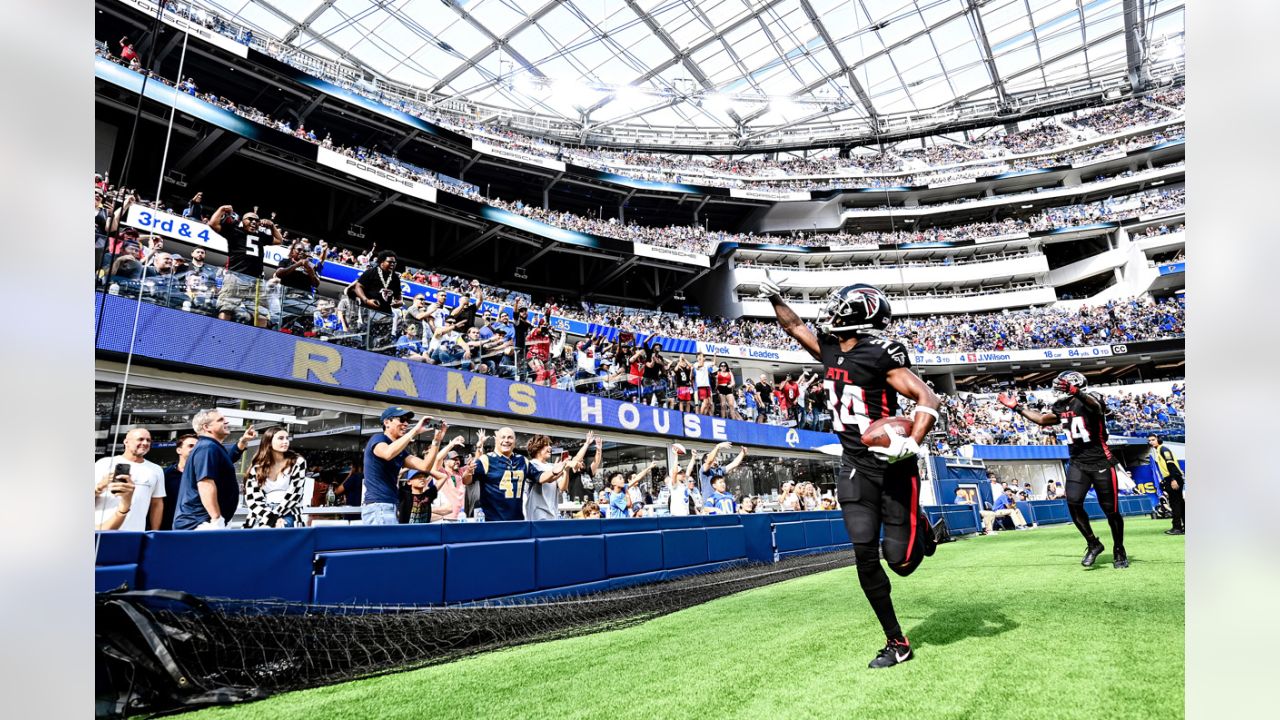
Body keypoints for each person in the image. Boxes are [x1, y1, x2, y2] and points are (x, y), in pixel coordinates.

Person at [762, 274, 941, 668]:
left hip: (894, 468)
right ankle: (897, 641)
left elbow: (927, 397)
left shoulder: (880, 354)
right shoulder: (829, 346)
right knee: (863, 554)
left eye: (838, 307)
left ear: (860, 316)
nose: (829, 313)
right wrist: (776, 299)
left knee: (903, 563)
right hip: (854, 466)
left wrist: (913, 441)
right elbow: (794, 327)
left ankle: (922, 526)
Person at [998, 371, 1128, 568]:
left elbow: (1096, 407)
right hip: (1077, 462)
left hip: (1101, 461)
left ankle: (1119, 548)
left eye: (1061, 385)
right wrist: (1017, 407)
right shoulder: (1061, 405)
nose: (1057, 388)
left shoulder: (1091, 398)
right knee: (1073, 503)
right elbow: (1042, 420)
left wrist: (1076, 392)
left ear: (1075, 384)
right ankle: (1093, 543)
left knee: (1111, 510)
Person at [361, 407, 446, 526]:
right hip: (378, 506)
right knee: (386, 544)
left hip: (389, 505)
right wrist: (415, 430)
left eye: (408, 421)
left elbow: (425, 466)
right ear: (386, 422)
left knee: (388, 544)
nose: (406, 424)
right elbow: (387, 453)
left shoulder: (400, 451)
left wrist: (436, 441)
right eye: (401, 419)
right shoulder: (378, 439)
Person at [173, 411, 257, 530]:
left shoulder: (210, 446)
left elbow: (227, 459)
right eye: (220, 420)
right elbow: (205, 484)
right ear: (206, 427)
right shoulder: (207, 447)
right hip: (202, 523)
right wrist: (216, 518)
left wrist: (243, 441)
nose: (226, 421)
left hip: (206, 521)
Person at [210, 205, 281, 326]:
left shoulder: (261, 236)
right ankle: (220, 333)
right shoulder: (234, 231)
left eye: (256, 220)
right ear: (243, 221)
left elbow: (279, 240)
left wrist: (272, 226)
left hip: (257, 280)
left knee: (262, 312)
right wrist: (222, 209)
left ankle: (258, 340)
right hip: (235, 276)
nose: (254, 222)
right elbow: (212, 224)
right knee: (227, 307)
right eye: (250, 219)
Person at [93, 427, 165, 531]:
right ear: (126, 442)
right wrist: (100, 486)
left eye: (148, 440)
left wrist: (155, 532)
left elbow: (157, 503)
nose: (145, 443)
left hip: (135, 532)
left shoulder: (156, 470)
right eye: (140, 439)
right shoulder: (104, 463)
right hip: (102, 530)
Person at [242, 427, 308, 528]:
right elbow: (252, 498)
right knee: (254, 535)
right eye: (281, 438)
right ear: (269, 441)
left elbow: (295, 494)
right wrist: (271, 518)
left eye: (287, 438)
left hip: (288, 510)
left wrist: (275, 516)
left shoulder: (298, 462)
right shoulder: (257, 467)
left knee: (279, 529)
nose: (286, 441)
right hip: (263, 511)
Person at [466, 427, 533, 521]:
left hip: (517, 522)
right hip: (492, 523)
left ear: (515, 441)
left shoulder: (522, 460)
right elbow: (467, 480)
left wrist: (555, 471)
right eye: (503, 437)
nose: (506, 440)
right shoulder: (486, 460)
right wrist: (468, 472)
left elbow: (540, 476)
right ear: (496, 440)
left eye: (510, 437)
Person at [523, 434, 589, 521]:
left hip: (553, 514)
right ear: (537, 448)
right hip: (536, 515)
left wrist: (566, 470)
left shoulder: (551, 466)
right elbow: (544, 478)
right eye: (546, 445)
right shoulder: (531, 465)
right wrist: (562, 467)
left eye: (550, 445)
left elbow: (563, 487)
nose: (550, 448)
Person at [428, 437, 473, 521]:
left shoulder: (461, 471)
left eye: (458, 459)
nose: (457, 461)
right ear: (445, 462)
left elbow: (474, 463)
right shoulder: (441, 472)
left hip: (461, 517)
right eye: (454, 459)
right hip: (445, 518)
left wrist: (479, 448)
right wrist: (451, 444)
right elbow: (437, 459)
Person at [159, 433, 198, 530]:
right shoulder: (165, 475)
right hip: (168, 528)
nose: (195, 449)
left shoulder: (204, 476)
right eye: (190, 446)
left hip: (195, 528)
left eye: (197, 446)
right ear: (179, 450)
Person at [1148, 435, 1184, 535]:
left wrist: (1172, 480)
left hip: (1173, 477)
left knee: (1175, 503)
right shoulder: (1159, 450)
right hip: (1172, 478)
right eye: (1149, 440)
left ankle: (1177, 528)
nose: (1151, 442)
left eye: (1153, 440)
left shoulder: (1163, 449)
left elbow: (1170, 464)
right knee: (1180, 503)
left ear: (1158, 440)